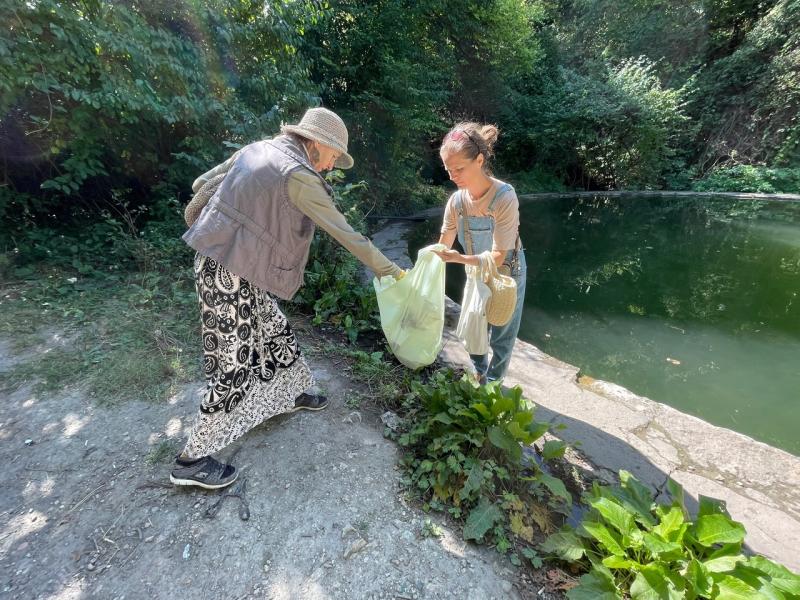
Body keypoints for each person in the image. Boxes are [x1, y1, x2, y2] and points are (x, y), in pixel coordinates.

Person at [171, 107, 404, 489]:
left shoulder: (260, 148)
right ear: (316, 143)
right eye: (332, 157)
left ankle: (288, 393)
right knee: (235, 360)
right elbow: (346, 233)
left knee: (273, 330)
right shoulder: (298, 175)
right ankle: (190, 460)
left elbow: (202, 184)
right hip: (225, 269)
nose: (331, 167)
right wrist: (392, 272)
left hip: (229, 260)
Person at [433, 122, 526, 385]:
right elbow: (445, 242)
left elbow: (498, 255)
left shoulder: (504, 197)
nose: (453, 176)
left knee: (501, 332)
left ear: (480, 159)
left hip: (506, 270)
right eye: (448, 170)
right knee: (474, 325)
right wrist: (428, 262)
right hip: (476, 268)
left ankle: (494, 383)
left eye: (459, 169)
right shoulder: (457, 201)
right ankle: (478, 370)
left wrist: (460, 259)